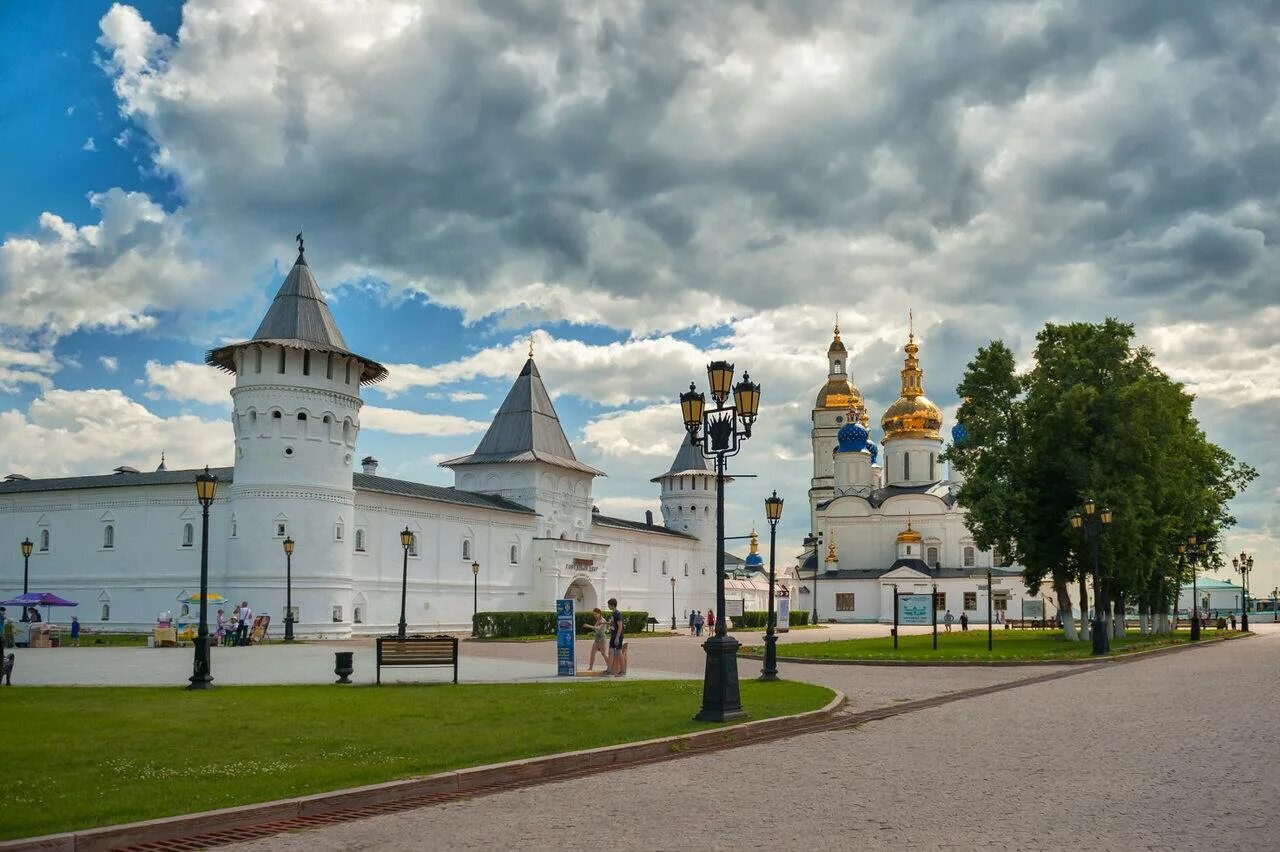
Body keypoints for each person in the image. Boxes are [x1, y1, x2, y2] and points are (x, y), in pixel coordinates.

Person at [607, 598, 625, 676]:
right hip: (613, 635)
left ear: (612, 605)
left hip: (618, 636)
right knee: (610, 652)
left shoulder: (618, 614)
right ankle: (609, 670)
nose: (608, 606)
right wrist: (606, 623)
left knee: (619, 652)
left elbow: (620, 626)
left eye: (609, 605)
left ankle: (622, 671)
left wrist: (617, 637)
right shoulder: (613, 613)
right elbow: (613, 623)